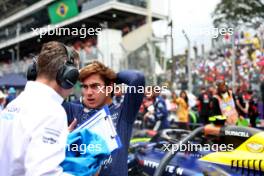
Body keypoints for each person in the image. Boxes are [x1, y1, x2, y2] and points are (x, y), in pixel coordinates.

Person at [0, 41, 80, 175]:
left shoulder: (13, 105)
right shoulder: (52, 112)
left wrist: (58, 136)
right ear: (67, 76)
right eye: (75, 75)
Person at [63, 61, 145, 176]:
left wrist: (110, 75)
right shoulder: (76, 111)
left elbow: (137, 78)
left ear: (109, 87)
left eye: (95, 86)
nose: (89, 93)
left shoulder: (123, 112)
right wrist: (73, 75)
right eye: (85, 87)